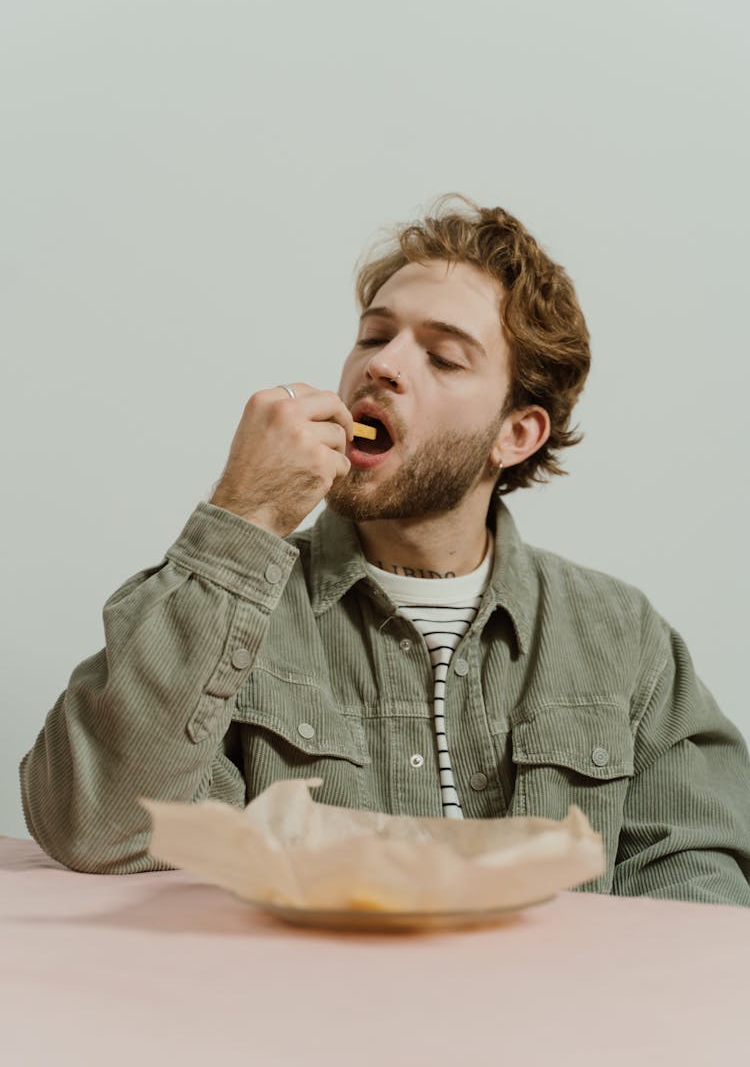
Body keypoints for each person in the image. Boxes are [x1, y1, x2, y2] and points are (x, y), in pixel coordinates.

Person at [19, 193, 750, 905]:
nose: (384, 365)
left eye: (443, 356)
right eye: (374, 335)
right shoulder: (233, 612)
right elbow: (97, 827)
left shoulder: (622, 637)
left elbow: (700, 884)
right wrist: (244, 513)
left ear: (516, 433)